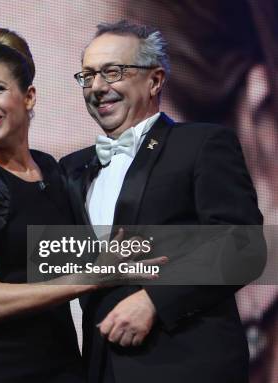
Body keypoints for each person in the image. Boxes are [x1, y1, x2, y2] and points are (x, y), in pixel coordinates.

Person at [0, 27, 164, 382]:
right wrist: (95, 278)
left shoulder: (53, 170)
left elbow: (87, 255)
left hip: (61, 364)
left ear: (29, 96)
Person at [59, 20, 264, 383]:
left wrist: (155, 300)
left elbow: (243, 245)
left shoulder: (202, 144)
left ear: (154, 80)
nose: (98, 87)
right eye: (88, 76)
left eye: (113, 72)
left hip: (186, 365)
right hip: (102, 368)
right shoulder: (71, 168)